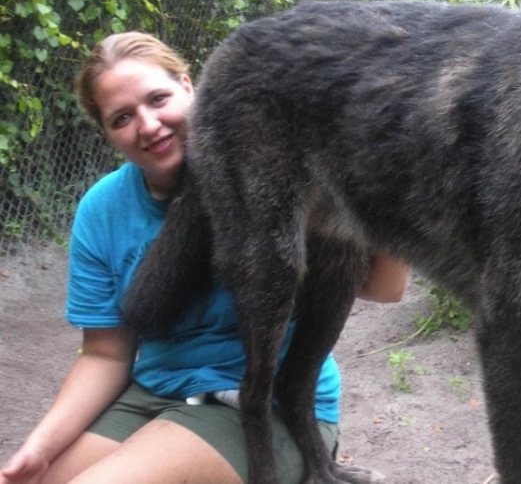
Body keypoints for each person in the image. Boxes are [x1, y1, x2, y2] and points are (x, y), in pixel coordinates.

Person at [0, 32, 410, 484]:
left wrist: (383, 172)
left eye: (158, 99)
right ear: (107, 133)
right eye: (122, 118)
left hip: (265, 406)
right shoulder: (102, 209)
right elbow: (105, 354)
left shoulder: (271, 165)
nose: (148, 125)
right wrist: (38, 449)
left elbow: (385, 289)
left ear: (188, 87)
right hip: (152, 393)